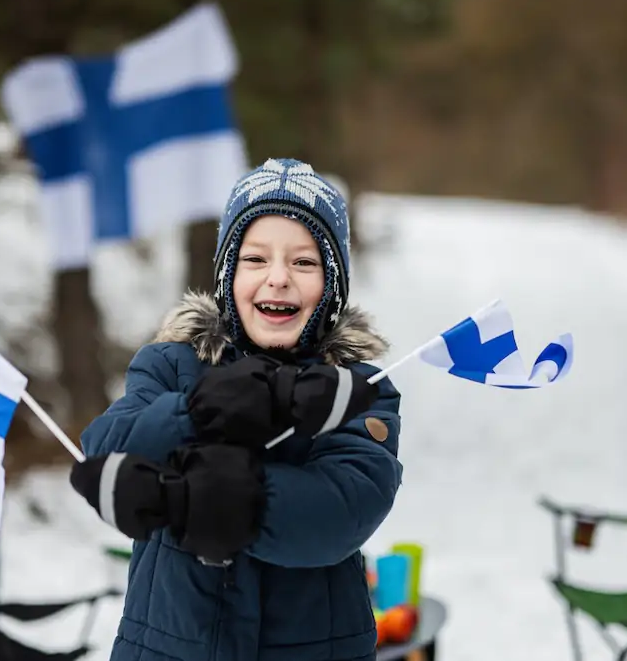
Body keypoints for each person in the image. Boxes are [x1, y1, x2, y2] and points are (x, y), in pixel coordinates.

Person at [68, 157, 404, 661]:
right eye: (255, 259)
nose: (278, 279)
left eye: (304, 262)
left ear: (332, 286)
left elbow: (345, 507)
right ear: (227, 274)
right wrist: (196, 412)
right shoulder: (171, 363)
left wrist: (198, 499)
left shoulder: (355, 389)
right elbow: (107, 448)